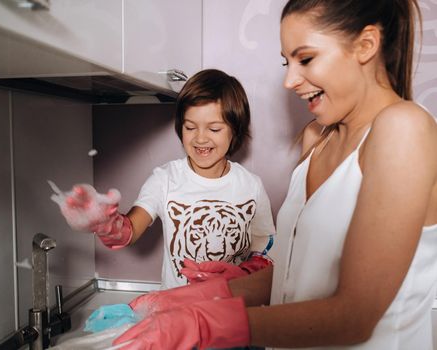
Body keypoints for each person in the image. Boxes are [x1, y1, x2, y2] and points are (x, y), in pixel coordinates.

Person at [111, 0, 437, 349]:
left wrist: (203, 324)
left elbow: (353, 316)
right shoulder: (317, 139)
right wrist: (176, 301)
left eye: (306, 59)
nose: (289, 80)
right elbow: (288, 277)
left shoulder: (404, 129)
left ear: (365, 45)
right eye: (287, 62)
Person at [55, 68, 276, 289]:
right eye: (190, 127)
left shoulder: (251, 186)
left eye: (214, 128)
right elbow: (130, 229)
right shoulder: (165, 179)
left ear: (235, 130)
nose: (200, 138)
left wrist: (242, 274)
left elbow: (265, 249)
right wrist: (105, 223)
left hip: (231, 313)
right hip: (176, 312)